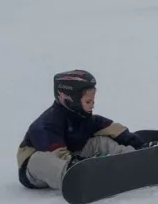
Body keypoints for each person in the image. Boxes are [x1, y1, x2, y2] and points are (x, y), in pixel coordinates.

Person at [16, 70, 149, 191]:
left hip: (73, 156)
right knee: (41, 160)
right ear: (71, 100)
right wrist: (76, 165)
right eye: (88, 101)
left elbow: (107, 127)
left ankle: (132, 159)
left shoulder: (83, 117)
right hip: (35, 172)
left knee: (99, 141)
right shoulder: (47, 125)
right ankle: (77, 178)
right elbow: (57, 154)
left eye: (93, 100)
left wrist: (131, 139)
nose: (93, 104)